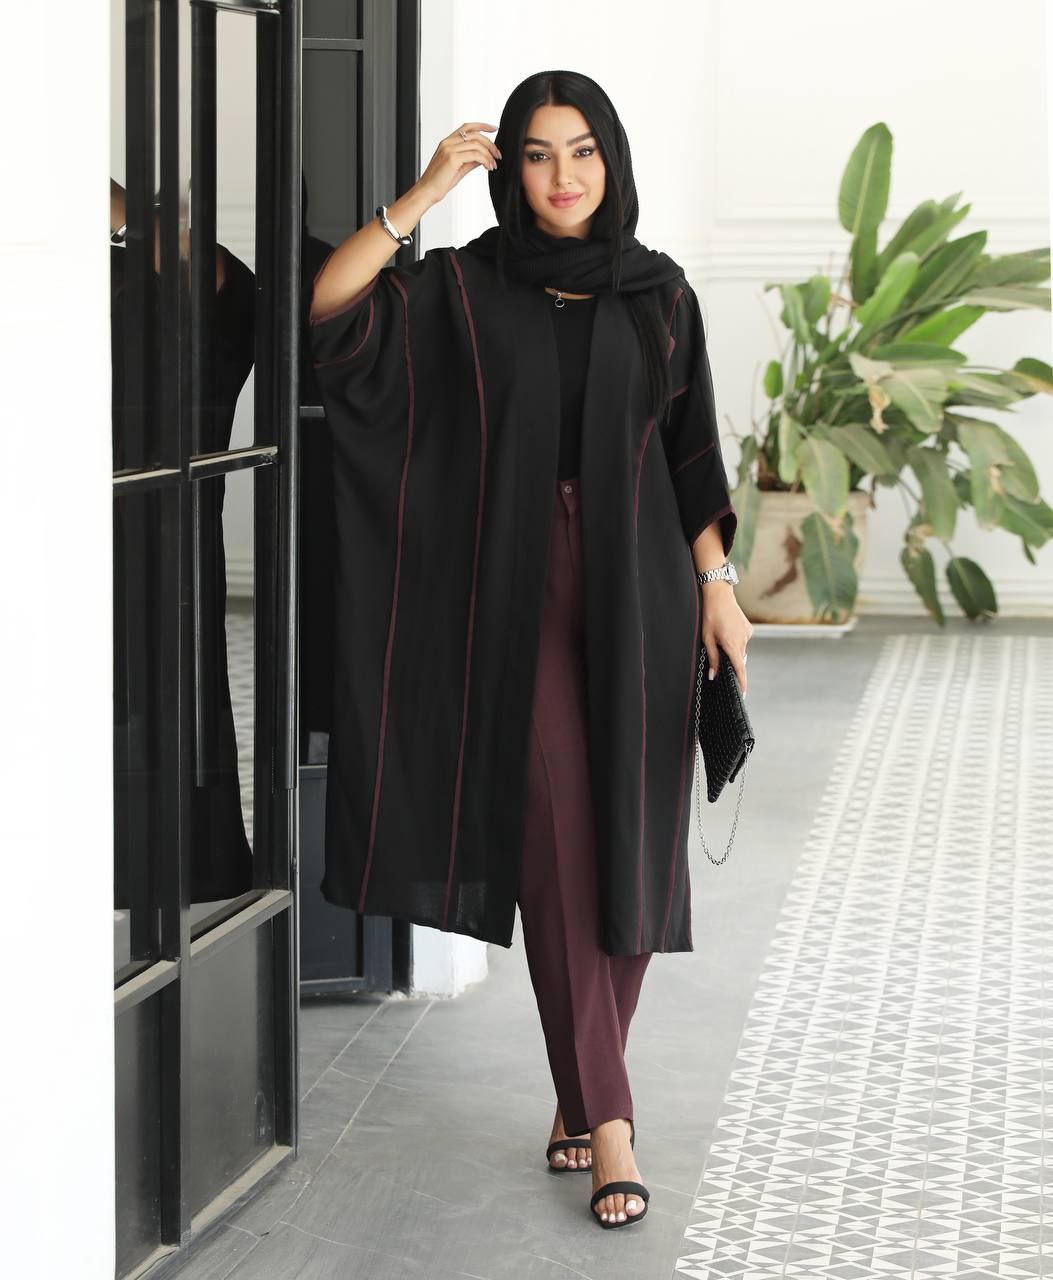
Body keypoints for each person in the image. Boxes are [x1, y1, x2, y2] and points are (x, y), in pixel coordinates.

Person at [309, 69, 753, 1229]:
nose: (565, 175)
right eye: (541, 153)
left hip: (645, 584)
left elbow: (690, 452)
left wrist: (718, 589)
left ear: (613, 160)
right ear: (511, 165)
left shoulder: (659, 293)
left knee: (633, 841)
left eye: (584, 150)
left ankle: (575, 1093)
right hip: (518, 587)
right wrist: (422, 194)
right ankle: (613, 1121)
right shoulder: (466, 287)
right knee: (558, 841)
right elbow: (333, 315)